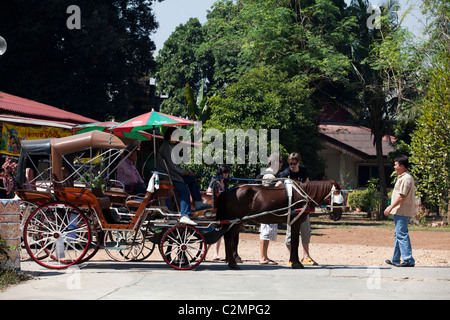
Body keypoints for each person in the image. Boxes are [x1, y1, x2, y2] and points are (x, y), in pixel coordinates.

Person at [156, 127, 209, 226]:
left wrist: (187, 173)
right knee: (184, 190)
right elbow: (174, 167)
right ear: (170, 136)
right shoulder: (166, 147)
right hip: (169, 176)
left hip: (174, 174)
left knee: (191, 180)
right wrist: (186, 172)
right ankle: (184, 215)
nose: (177, 138)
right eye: (175, 135)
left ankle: (197, 202)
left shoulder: (170, 146)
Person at [278, 152, 318, 266]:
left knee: (305, 231)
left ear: (298, 162)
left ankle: (306, 256)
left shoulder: (303, 170)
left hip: (303, 207)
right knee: (290, 233)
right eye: (290, 163)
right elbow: (279, 184)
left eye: (294, 163)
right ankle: (291, 257)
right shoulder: (286, 172)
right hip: (292, 208)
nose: (292, 165)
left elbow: (308, 184)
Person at [384, 154, 416, 267]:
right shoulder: (403, 177)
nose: (394, 167)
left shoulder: (406, 178)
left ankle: (408, 260)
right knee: (398, 235)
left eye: (396, 165)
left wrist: (389, 207)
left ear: (402, 166)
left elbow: (401, 196)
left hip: (402, 211)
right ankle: (395, 259)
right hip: (400, 211)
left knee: (401, 235)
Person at [258, 153, 282, 265]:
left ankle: (265, 256)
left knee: (267, 232)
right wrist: (278, 185)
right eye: (281, 162)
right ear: (276, 163)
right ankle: (262, 257)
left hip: (267, 206)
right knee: (265, 232)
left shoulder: (269, 174)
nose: (281, 165)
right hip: (267, 206)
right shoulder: (270, 176)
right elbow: (268, 191)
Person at [206, 164, 231, 261]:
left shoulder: (226, 184)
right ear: (220, 172)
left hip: (223, 210)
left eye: (227, 173)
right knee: (213, 232)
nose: (226, 175)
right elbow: (208, 193)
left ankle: (216, 254)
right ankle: (204, 253)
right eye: (225, 172)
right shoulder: (214, 182)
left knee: (219, 233)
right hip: (214, 209)